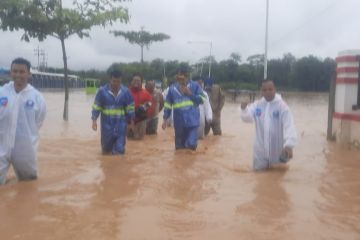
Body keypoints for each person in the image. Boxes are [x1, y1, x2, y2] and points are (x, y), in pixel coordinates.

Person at [0, 58, 46, 184]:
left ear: (29, 74)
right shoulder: (2, 92)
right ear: (10, 73)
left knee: (28, 184)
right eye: (15, 71)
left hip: (25, 148)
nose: (18, 75)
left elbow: (38, 122)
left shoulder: (37, 98)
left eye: (22, 71)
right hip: (1, 145)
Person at [240, 79, 297, 171]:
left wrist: (289, 145)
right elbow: (247, 118)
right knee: (259, 180)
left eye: (270, 89)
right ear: (261, 91)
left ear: (275, 89)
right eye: (264, 90)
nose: (267, 92)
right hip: (260, 151)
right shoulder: (257, 105)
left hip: (278, 151)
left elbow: (289, 126)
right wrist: (244, 109)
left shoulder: (282, 106)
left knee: (278, 180)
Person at [92, 70, 135, 154]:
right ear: (110, 80)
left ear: (121, 81)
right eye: (114, 81)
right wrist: (94, 120)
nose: (116, 84)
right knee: (106, 150)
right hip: (106, 127)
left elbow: (130, 108)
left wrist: (131, 123)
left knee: (120, 150)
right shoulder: (102, 91)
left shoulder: (126, 92)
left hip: (121, 126)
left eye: (118, 81)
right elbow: (96, 106)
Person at [162, 68, 205, 150]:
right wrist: (165, 119)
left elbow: (202, 99)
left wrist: (190, 94)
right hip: (179, 123)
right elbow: (167, 105)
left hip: (192, 122)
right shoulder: (172, 89)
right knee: (179, 148)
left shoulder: (195, 86)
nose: (180, 80)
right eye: (178, 78)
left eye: (182, 78)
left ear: (187, 77)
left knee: (191, 145)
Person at [127, 73, 153, 140]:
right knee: (129, 142)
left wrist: (142, 108)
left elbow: (150, 105)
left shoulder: (146, 93)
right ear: (131, 82)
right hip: (128, 122)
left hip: (141, 121)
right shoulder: (126, 92)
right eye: (134, 80)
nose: (136, 82)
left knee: (140, 141)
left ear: (141, 82)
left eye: (138, 80)